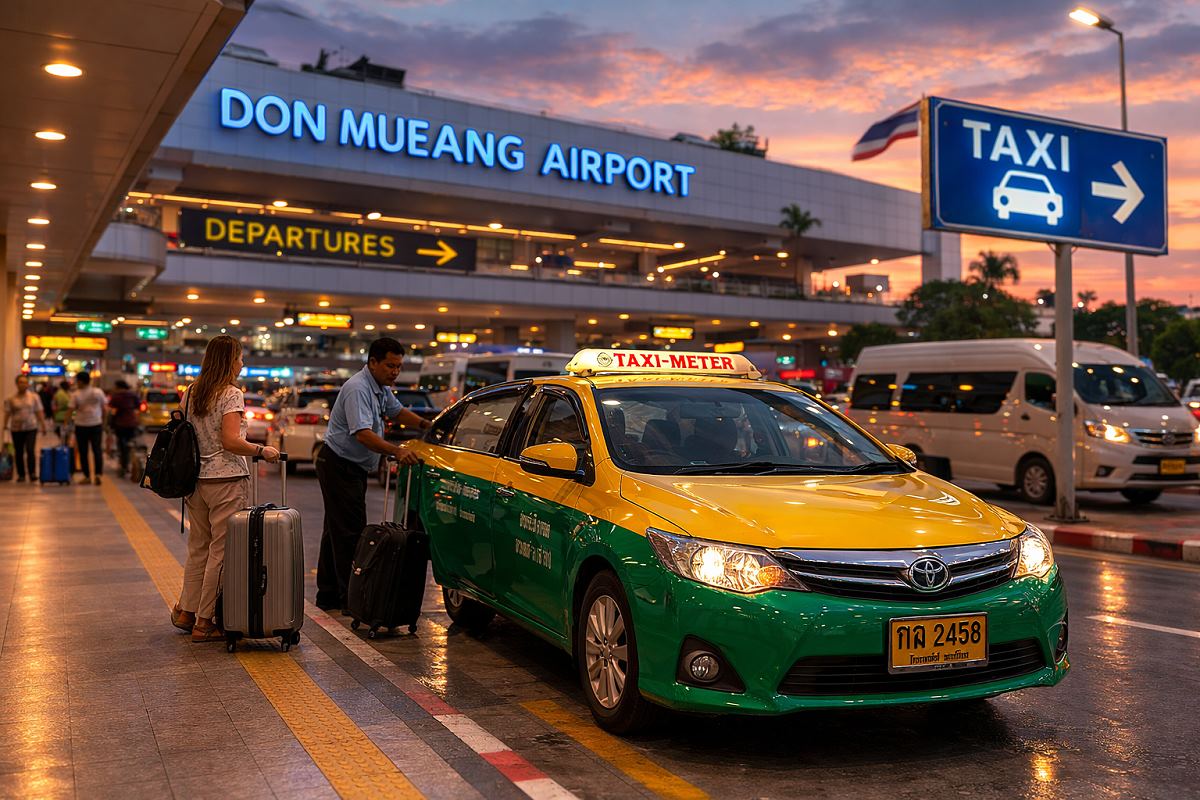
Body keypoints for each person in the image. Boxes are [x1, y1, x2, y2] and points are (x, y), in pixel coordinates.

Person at [171, 334, 279, 642]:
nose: (242, 363)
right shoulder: (231, 394)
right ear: (230, 361)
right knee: (221, 551)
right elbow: (230, 441)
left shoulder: (191, 392)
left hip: (194, 481)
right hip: (226, 480)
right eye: (241, 358)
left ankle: (186, 612)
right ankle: (205, 622)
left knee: (198, 548)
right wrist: (262, 451)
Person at [315, 337, 429, 612]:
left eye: (399, 367)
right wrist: (397, 451)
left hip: (349, 466)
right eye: (390, 366)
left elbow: (397, 411)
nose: (395, 372)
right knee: (350, 534)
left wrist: (428, 424)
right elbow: (363, 434)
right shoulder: (357, 388)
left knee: (335, 531)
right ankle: (350, 600)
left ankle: (328, 594)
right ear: (373, 362)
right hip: (339, 465)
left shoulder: (379, 387)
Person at [3, 375, 46, 483]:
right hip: (16, 428)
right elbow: (7, 413)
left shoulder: (34, 397)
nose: (23, 384)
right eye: (21, 382)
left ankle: (32, 473)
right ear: (16, 384)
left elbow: (39, 411)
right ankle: (21, 474)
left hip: (31, 427)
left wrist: (43, 425)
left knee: (30, 450)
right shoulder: (11, 399)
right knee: (19, 451)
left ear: (28, 384)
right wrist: (4, 425)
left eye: (25, 382)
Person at [68, 372, 107, 485]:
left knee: (83, 451)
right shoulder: (98, 392)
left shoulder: (76, 394)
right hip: (96, 424)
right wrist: (103, 423)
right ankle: (98, 475)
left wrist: (66, 423)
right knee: (97, 450)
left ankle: (87, 476)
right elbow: (105, 408)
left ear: (80, 381)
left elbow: (70, 410)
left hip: (81, 426)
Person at [107, 379, 141, 475]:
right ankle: (130, 459)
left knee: (121, 445)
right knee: (130, 442)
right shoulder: (133, 395)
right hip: (132, 423)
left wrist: (109, 424)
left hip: (120, 424)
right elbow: (138, 407)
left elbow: (112, 411)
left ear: (118, 387)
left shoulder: (116, 396)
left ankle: (124, 465)